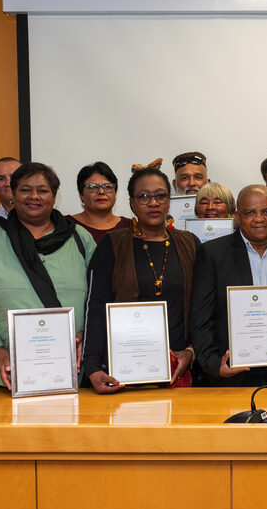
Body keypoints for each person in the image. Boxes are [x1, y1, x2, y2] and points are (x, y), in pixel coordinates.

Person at [0, 162, 94, 388]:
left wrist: (85, 335)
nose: (34, 197)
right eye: (25, 190)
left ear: (55, 195)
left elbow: (100, 295)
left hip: (73, 368)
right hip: (9, 371)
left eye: (43, 190)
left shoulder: (80, 238)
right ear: (13, 194)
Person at [83, 167, 201, 393]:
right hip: (123, 373)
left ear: (169, 200)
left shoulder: (190, 243)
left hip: (178, 372)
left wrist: (191, 351)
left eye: (160, 195)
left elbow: (202, 307)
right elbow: (96, 307)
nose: (153, 203)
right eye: (144, 196)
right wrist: (93, 367)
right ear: (131, 203)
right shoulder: (112, 245)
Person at [189, 185, 267, 387]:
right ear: (237, 215)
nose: (259, 219)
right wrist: (213, 364)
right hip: (232, 373)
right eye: (250, 213)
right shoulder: (212, 254)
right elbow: (200, 318)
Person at [69, 161, 126, 241]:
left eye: (107, 187)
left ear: (115, 194)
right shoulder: (66, 226)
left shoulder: (130, 227)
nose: (101, 191)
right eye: (93, 187)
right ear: (81, 195)